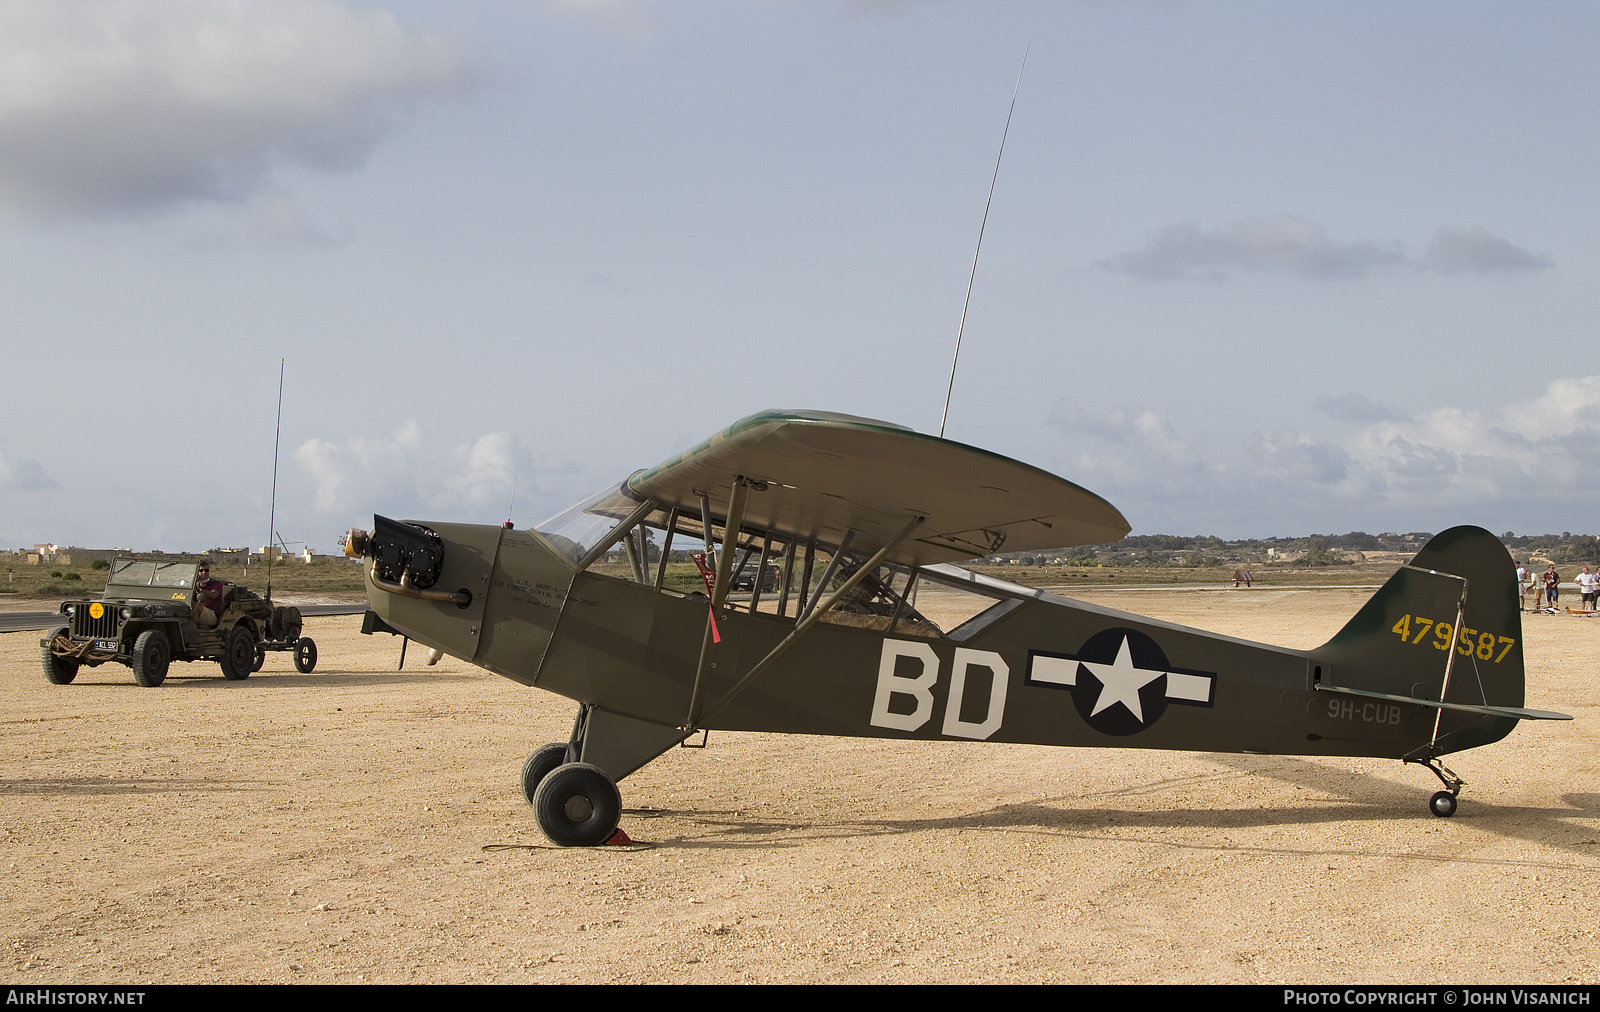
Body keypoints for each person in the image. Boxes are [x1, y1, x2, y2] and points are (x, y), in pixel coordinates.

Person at [193, 563, 225, 628]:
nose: (204, 572)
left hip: (211, 615)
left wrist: (200, 590)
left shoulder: (216, 583)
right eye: (201, 570)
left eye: (206, 570)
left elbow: (213, 595)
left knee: (194, 605)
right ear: (197, 572)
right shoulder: (195, 584)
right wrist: (194, 582)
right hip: (199, 611)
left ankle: (190, 631)